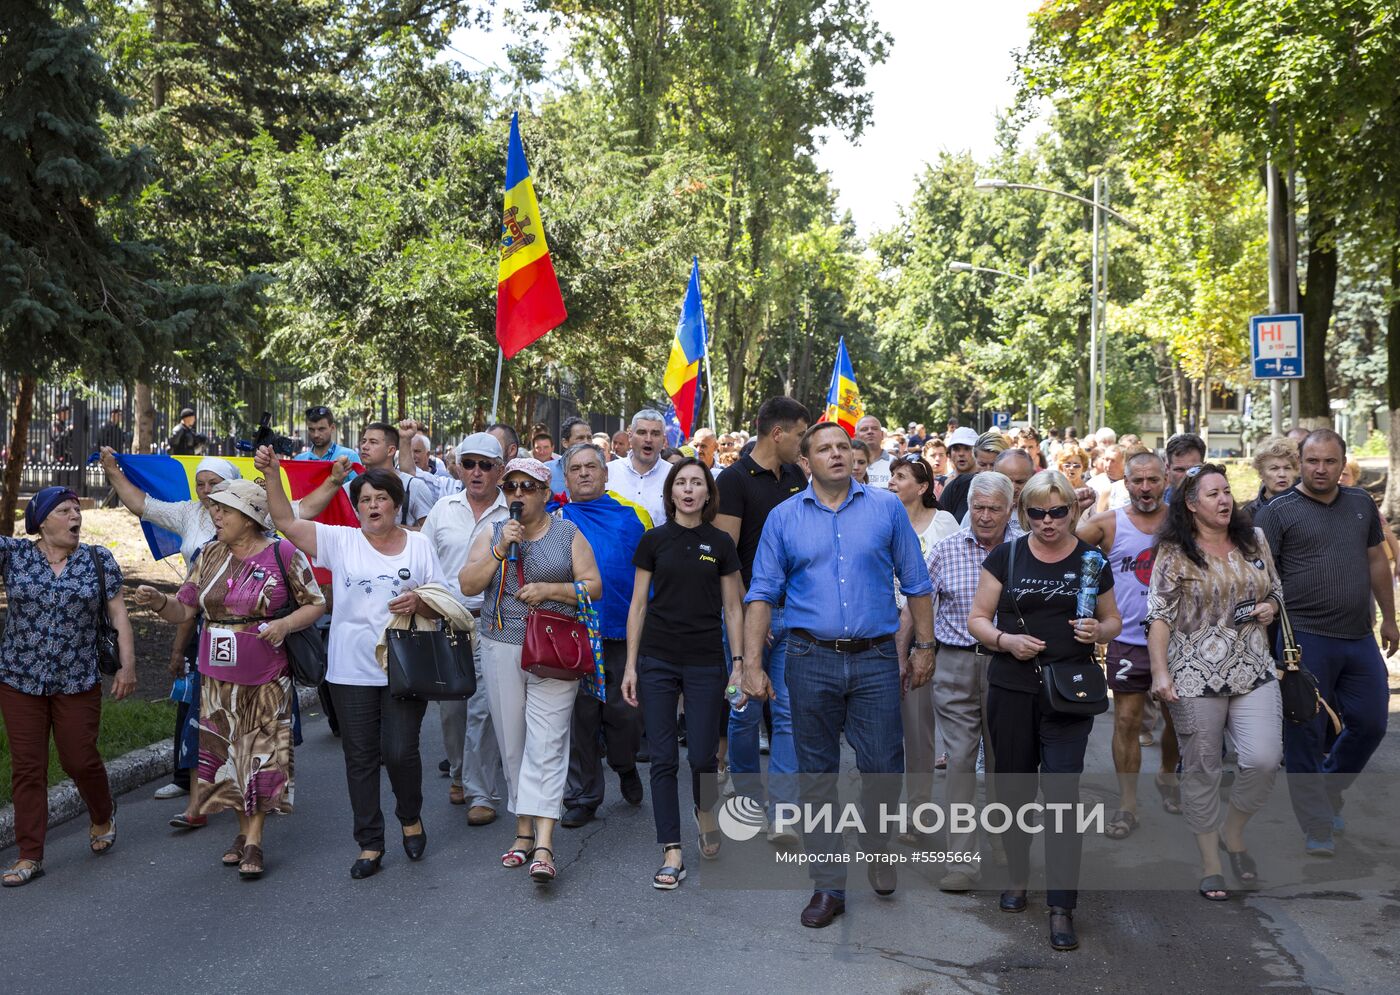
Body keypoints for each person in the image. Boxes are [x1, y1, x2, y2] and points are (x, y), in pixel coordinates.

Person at [741, 422, 935, 929]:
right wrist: (753, 665)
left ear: (855, 454)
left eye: (843, 447)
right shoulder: (784, 518)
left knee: (883, 767)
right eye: (823, 448)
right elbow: (760, 592)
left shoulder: (886, 508)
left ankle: (876, 843)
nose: (836, 454)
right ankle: (828, 884)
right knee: (817, 774)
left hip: (875, 658)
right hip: (808, 657)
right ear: (805, 462)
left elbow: (916, 582)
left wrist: (924, 647)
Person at [261, 450, 450, 880]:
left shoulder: (419, 545)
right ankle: (369, 842)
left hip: (405, 667)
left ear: (395, 504)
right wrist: (273, 475)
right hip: (349, 670)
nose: (372, 506)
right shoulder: (340, 540)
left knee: (399, 751)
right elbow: (285, 523)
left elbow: (443, 600)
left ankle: (410, 815)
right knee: (360, 757)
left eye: (380, 498)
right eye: (364, 499)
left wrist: (420, 599)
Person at [133, 480, 325, 878]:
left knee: (260, 756)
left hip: (268, 676)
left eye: (225, 510)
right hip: (217, 678)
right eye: (215, 509)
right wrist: (158, 603)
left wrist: (284, 624)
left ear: (250, 517)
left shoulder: (283, 553)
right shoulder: (209, 554)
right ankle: (242, 831)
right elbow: (185, 611)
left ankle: (254, 840)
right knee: (226, 759)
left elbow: (316, 602)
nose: (215, 516)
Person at [967, 469, 1122, 952]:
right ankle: (1016, 877)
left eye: (1058, 512)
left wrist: (1100, 632)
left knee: (1061, 796)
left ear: (1073, 512)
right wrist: (1005, 640)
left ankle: (1061, 905)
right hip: (1012, 689)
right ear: (1024, 513)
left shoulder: (1091, 561)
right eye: (1037, 512)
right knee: (1012, 790)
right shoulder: (1006, 555)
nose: (1048, 521)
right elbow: (977, 619)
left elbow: (1114, 617)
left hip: (1069, 694)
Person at [1254, 429, 1398, 856]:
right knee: (1304, 731)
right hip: (1303, 640)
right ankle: (1317, 823)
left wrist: (1390, 619)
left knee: (1371, 723)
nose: (1321, 469)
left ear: (1342, 463)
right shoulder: (1278, 512)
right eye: (1312, 461)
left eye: (1330, 461)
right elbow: (1260, 577)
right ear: (1301, 462)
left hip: (1358, 637)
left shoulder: (1360, 504)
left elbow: (1376, 558)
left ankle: (1330, 787)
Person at [459, 457, 602, 886]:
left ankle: (543, 842)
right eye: (511, 488)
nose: (517, 495)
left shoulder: (567, 533)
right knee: (514, 743)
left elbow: (593, 585)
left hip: (555, 649)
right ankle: (522, 831)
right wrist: (500, 549)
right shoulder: (493, 533)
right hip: (502, 644)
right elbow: (467, 584)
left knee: (549, 742)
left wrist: (551, 590)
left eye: (527, 487)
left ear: (544, 493)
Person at [1145, 462, 1284, 899]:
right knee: (1202, 769)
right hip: (1193, 676)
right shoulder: (1173, 552)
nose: (1224, 500)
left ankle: (1233, 830)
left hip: (1254, 669)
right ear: (1190, 504)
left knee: (1263, 759)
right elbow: (1159, 616)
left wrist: (1271, 608)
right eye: (1212, 494)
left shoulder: (1254, 539)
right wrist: (1161, 673)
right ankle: (1209, 862)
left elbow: (1275, 589)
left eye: (1227, 491)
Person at [1, 487, 136, 887]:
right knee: (28, 768)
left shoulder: (97, 559)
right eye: (64, 510)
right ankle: (29, 855)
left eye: (77, 509)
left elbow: (119, 616)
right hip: (19, 679)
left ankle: (101, 812)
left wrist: (128, 666)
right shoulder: (15, 555)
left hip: (76, 679)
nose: (75, 516)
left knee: (79, 759)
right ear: (43, 521)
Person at [622, 458, 743, 889]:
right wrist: (631, 665)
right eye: (682, 482)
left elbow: (733, 608)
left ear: (708, 494)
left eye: (697, 483)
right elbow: (638, 605)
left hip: (706, 659)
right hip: (656, 657)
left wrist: (740, 665)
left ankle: (705, 814)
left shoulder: (721, 543)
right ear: (671, 492)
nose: (689, 489)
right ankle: (671, 848)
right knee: (662, 757)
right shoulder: (653, 541)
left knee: (702, 757)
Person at [100, 448, 242, 811]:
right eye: (201, 484)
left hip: (246, 629)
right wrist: (113, 470)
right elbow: (141, 504)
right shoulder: (189, 513)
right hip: (198, 620)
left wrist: (334, 481)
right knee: (194, 700)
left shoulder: (254, 515)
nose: (207, 491)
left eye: (215, 484)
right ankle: (192, 784)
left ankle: (243, 781)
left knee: (242, 705)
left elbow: (298, 514)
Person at [714, 396, 809, 844]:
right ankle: (748, 801)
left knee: (788, 710)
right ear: (778, 433)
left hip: (795, 612)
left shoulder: (796, 475)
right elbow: (726, 559)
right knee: (745, 709)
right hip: (749, 612)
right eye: (800, 435)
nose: (803, 444)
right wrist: (754, 613)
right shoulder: (732, 480)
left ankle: (784, 811)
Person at [926, 471, 1022, 891]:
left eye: (993, 509)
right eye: (977, 508)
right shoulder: (946, 551)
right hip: (956, 665)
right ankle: (962, 861)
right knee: (961, 762)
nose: (984, 517)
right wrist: (913, 653)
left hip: (1009, 669)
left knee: (1005, 762)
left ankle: (1004, 840)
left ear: (1010, 509)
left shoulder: (1026, 551)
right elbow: (921, 608)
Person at [1078, 451, 1180, 838]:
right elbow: (1063, 550)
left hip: (1178, 641)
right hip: (1128, 640)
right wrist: (1077, 511)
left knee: (1177, 720)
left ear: (1165, 478)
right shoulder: (1108, 524)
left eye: (1153, 479)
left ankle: (1168, 776)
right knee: (1125, 721)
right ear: (1126, 483)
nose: (1145, 488)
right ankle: (1127, 804)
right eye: (1137, 480)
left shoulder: (1183, 523)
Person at [558, 443, 650, 827]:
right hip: (574, 635)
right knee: (580, 719)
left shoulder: (633, 516)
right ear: (565, 478)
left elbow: (650, 574)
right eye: (575, 468)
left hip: (619, 632)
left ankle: (624, 764)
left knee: (624, 715)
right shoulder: (555, 518)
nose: (583, 474)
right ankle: (584, 796)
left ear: (605, 473)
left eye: (590, 467)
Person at [420, 433, 509, 825]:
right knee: (452, 713)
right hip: (448, 621)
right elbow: (422, 562)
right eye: (469, 463)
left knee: (484, 711)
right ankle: (458, 771)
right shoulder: (442, 509)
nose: (476, 472)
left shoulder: (513, 513)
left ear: (499, 470)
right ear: (457, 467)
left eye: (485, 465)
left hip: (495, 622)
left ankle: (480, 793)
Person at [888, 454, 958, 835]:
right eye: (893, 476)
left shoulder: (944, 523)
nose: (893, 482)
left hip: (930, 639)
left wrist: (921, 641)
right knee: (893, 731)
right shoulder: (884, 518)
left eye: (901, 477)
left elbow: (949, 579)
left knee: (922, 729)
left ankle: (919, 813)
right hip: (884, 632)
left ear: (924, 487)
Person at [297, 422, 435, 529]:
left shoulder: (414, 486)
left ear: (391, 450)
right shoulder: (348, 488)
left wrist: (390, 529)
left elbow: (430, 532)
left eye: (373, 442)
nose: (365, 446)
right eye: (364, 441)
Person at [607, 409, 669, 526]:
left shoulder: (674, 475)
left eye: (655, 434)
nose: (648, 439)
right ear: (630, 437)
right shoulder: (608, 472)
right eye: (642, 432)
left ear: (664, 440)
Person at [1340, 459, 1400, 577]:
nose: (1340, 478)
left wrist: (1398, 558)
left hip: (1367, 567)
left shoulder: (1364, 501)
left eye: (1345, 474)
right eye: (1338, 473)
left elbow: (1386, 529)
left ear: (1354, 479)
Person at [940, 430, 1008, 521]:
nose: (988, 470)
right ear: (975, 459)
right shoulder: (957, 486)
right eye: (982, 464)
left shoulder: (1016, 490)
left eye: (993, 465)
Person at [295, 405, 359, 464]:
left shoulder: (350, 457)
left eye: (321, 429)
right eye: (311, 429)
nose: (316, 435)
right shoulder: (299, 460)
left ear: (332, 428)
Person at [549, 417, 594, 494]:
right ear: (565, 443)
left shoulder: (598, 470)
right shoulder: (547, 470)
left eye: (589, 438)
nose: (586, 442)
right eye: (580, 438)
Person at [1164, 432, 1206, 500]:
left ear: (1204, 468)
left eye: (1193, 470)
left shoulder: (1219, 504)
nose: (1186, 476)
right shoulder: (1157, 506)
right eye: (1179, 470)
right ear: (1168, 469)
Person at [855, 416, 891, 487]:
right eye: (864, 429)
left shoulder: (895, 463)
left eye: (874, 428)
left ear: (882, 434)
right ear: (856, 436)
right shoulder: (846, 464)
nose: (870, 432)